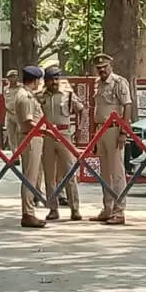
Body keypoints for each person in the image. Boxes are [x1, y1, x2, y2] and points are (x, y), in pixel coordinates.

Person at [90, 53, 133, 225]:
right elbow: (97, 109)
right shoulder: (97, 83)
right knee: (104, 172)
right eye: (99, 68)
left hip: (114, 129)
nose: (102, 70)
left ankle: (119, 210)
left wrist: (124, 131)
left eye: (105, 67)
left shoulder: (119, 82)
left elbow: (127, 105)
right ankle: (107, 208)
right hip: (101, 130)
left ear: (111, 66)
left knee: (117, 172)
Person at [6, 66, 49, 228]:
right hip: (30, 139)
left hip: (35, 138)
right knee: (30, 177)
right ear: (35, 80)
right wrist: (47, 131)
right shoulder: (25, 97)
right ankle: (28, 213)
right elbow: (28, 122)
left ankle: (30, 210)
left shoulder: (27, 95)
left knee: (33, 175)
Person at [41, 67, 84, 220]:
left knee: (69, 172)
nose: (55, 82)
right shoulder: (41, 96)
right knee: (49, 174)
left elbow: (81, 110)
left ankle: (75, 208)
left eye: (57, 78)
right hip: (47, 136)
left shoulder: (68, 94)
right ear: (46, 81)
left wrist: (79, 129)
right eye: (51, 79)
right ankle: (53, 209)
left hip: (64, 134)